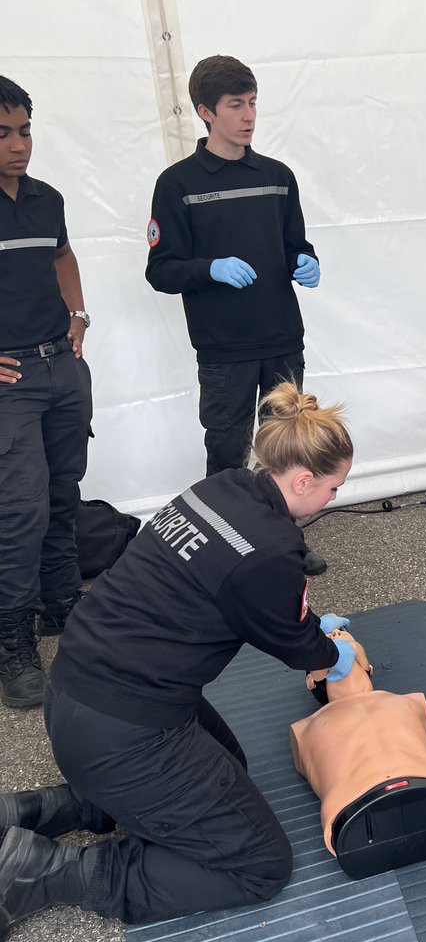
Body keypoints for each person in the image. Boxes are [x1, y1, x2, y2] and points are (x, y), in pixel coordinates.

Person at [0, 383, 357, 942]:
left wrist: (304, 621)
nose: (336, 497)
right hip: (119, 730)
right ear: (304, 479)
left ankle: (33, 812)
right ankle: (41, 872)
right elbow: (297, 646)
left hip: (75, 688)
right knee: (260, 863)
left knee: (229, 766)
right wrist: (334, 653)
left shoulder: (221, 486)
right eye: (335, 487)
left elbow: (255, 597)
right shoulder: (271, 552)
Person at [145, 54, 327, 575]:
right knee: (226, 450)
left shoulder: (276, 177)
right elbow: (162, 270)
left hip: (281, 337)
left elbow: (296, 242)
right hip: (224, 346)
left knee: (289, 452)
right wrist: (209, 268)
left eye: (252, 103)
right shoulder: (178, 184)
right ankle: (223, 550)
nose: (248, 115)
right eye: (235, 105)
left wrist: (305, 261)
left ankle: (282, 543)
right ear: (205, 111)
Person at [0, 76, 93, 710]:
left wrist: (77, 315)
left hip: (61, 367)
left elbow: (63, 257)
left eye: (25, 130)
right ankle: (11, 639)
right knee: (20, 512)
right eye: (3, 133)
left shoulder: (46, 199)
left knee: (64, 495)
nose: (18, 145)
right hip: (12, 387)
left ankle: (62, 607)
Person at [290, 635, 426, 879]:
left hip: (417, 779)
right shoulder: (309, 728)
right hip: (361, 796)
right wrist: (327, 656)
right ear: (312, 682)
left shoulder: (409, 702)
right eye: (331, 638)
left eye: (342, 635)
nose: (336, 637)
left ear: (368, 666)